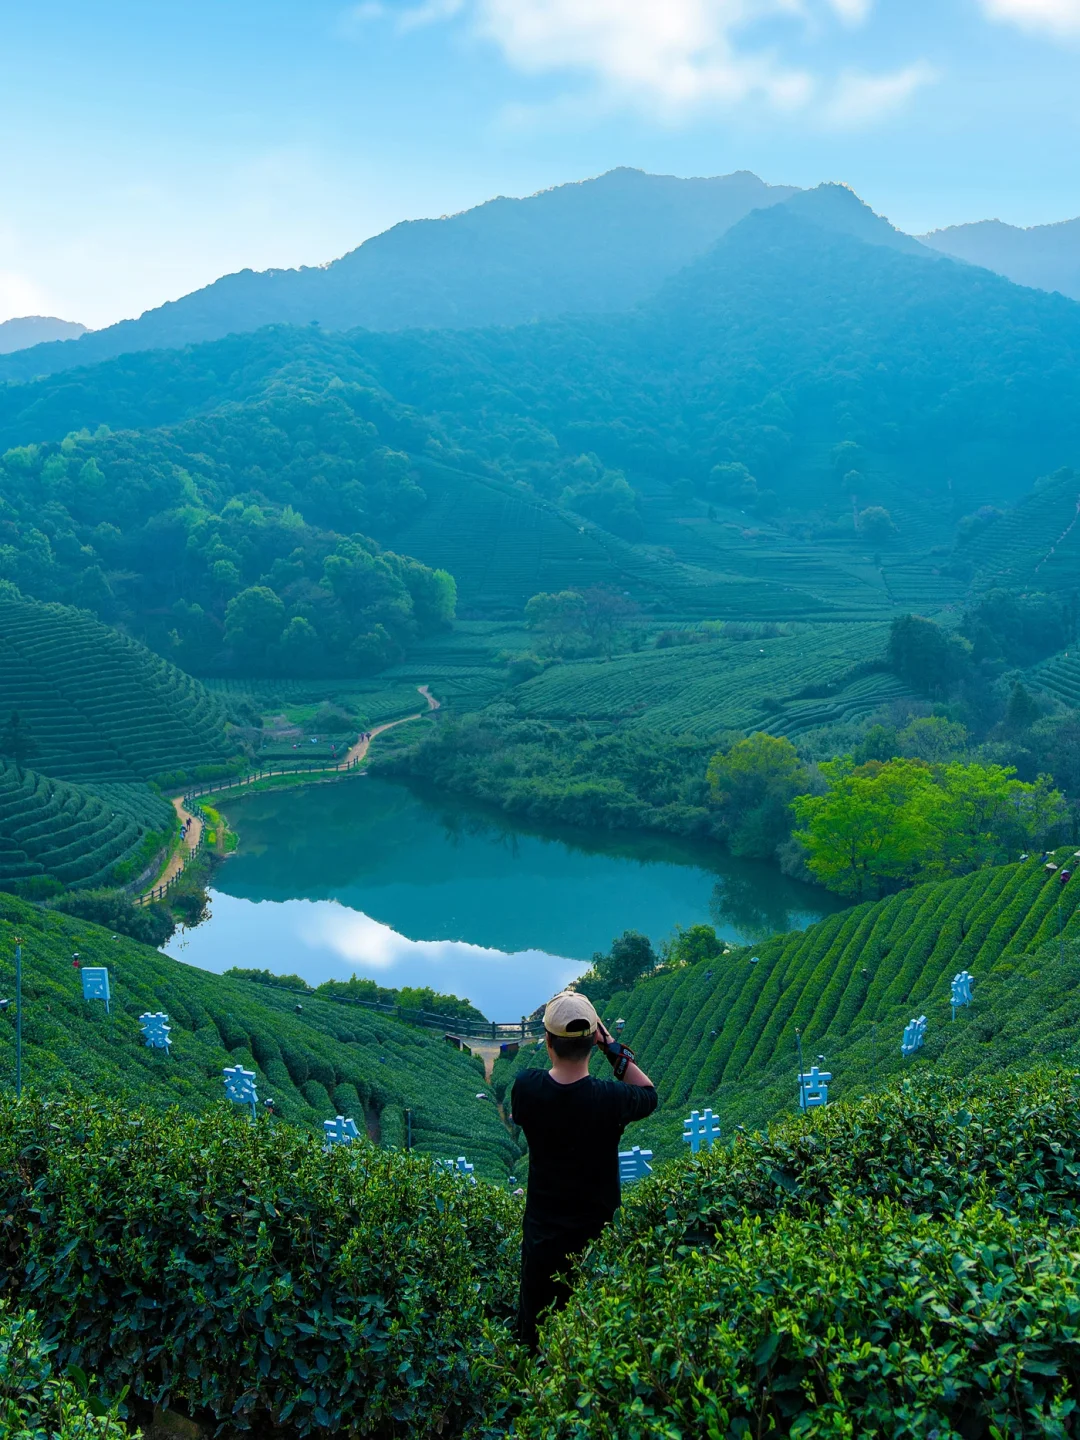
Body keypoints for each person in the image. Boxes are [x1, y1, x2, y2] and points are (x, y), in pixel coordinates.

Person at [510, 990, 657, 1351]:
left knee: (538, 1341)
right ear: (593, 1040)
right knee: (595, 1341)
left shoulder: (526, 1087)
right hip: (598, 1243)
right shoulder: (611, 1099)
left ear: (547, 1041)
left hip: (543, 1242)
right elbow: (649, 1094)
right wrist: (610, 1047)